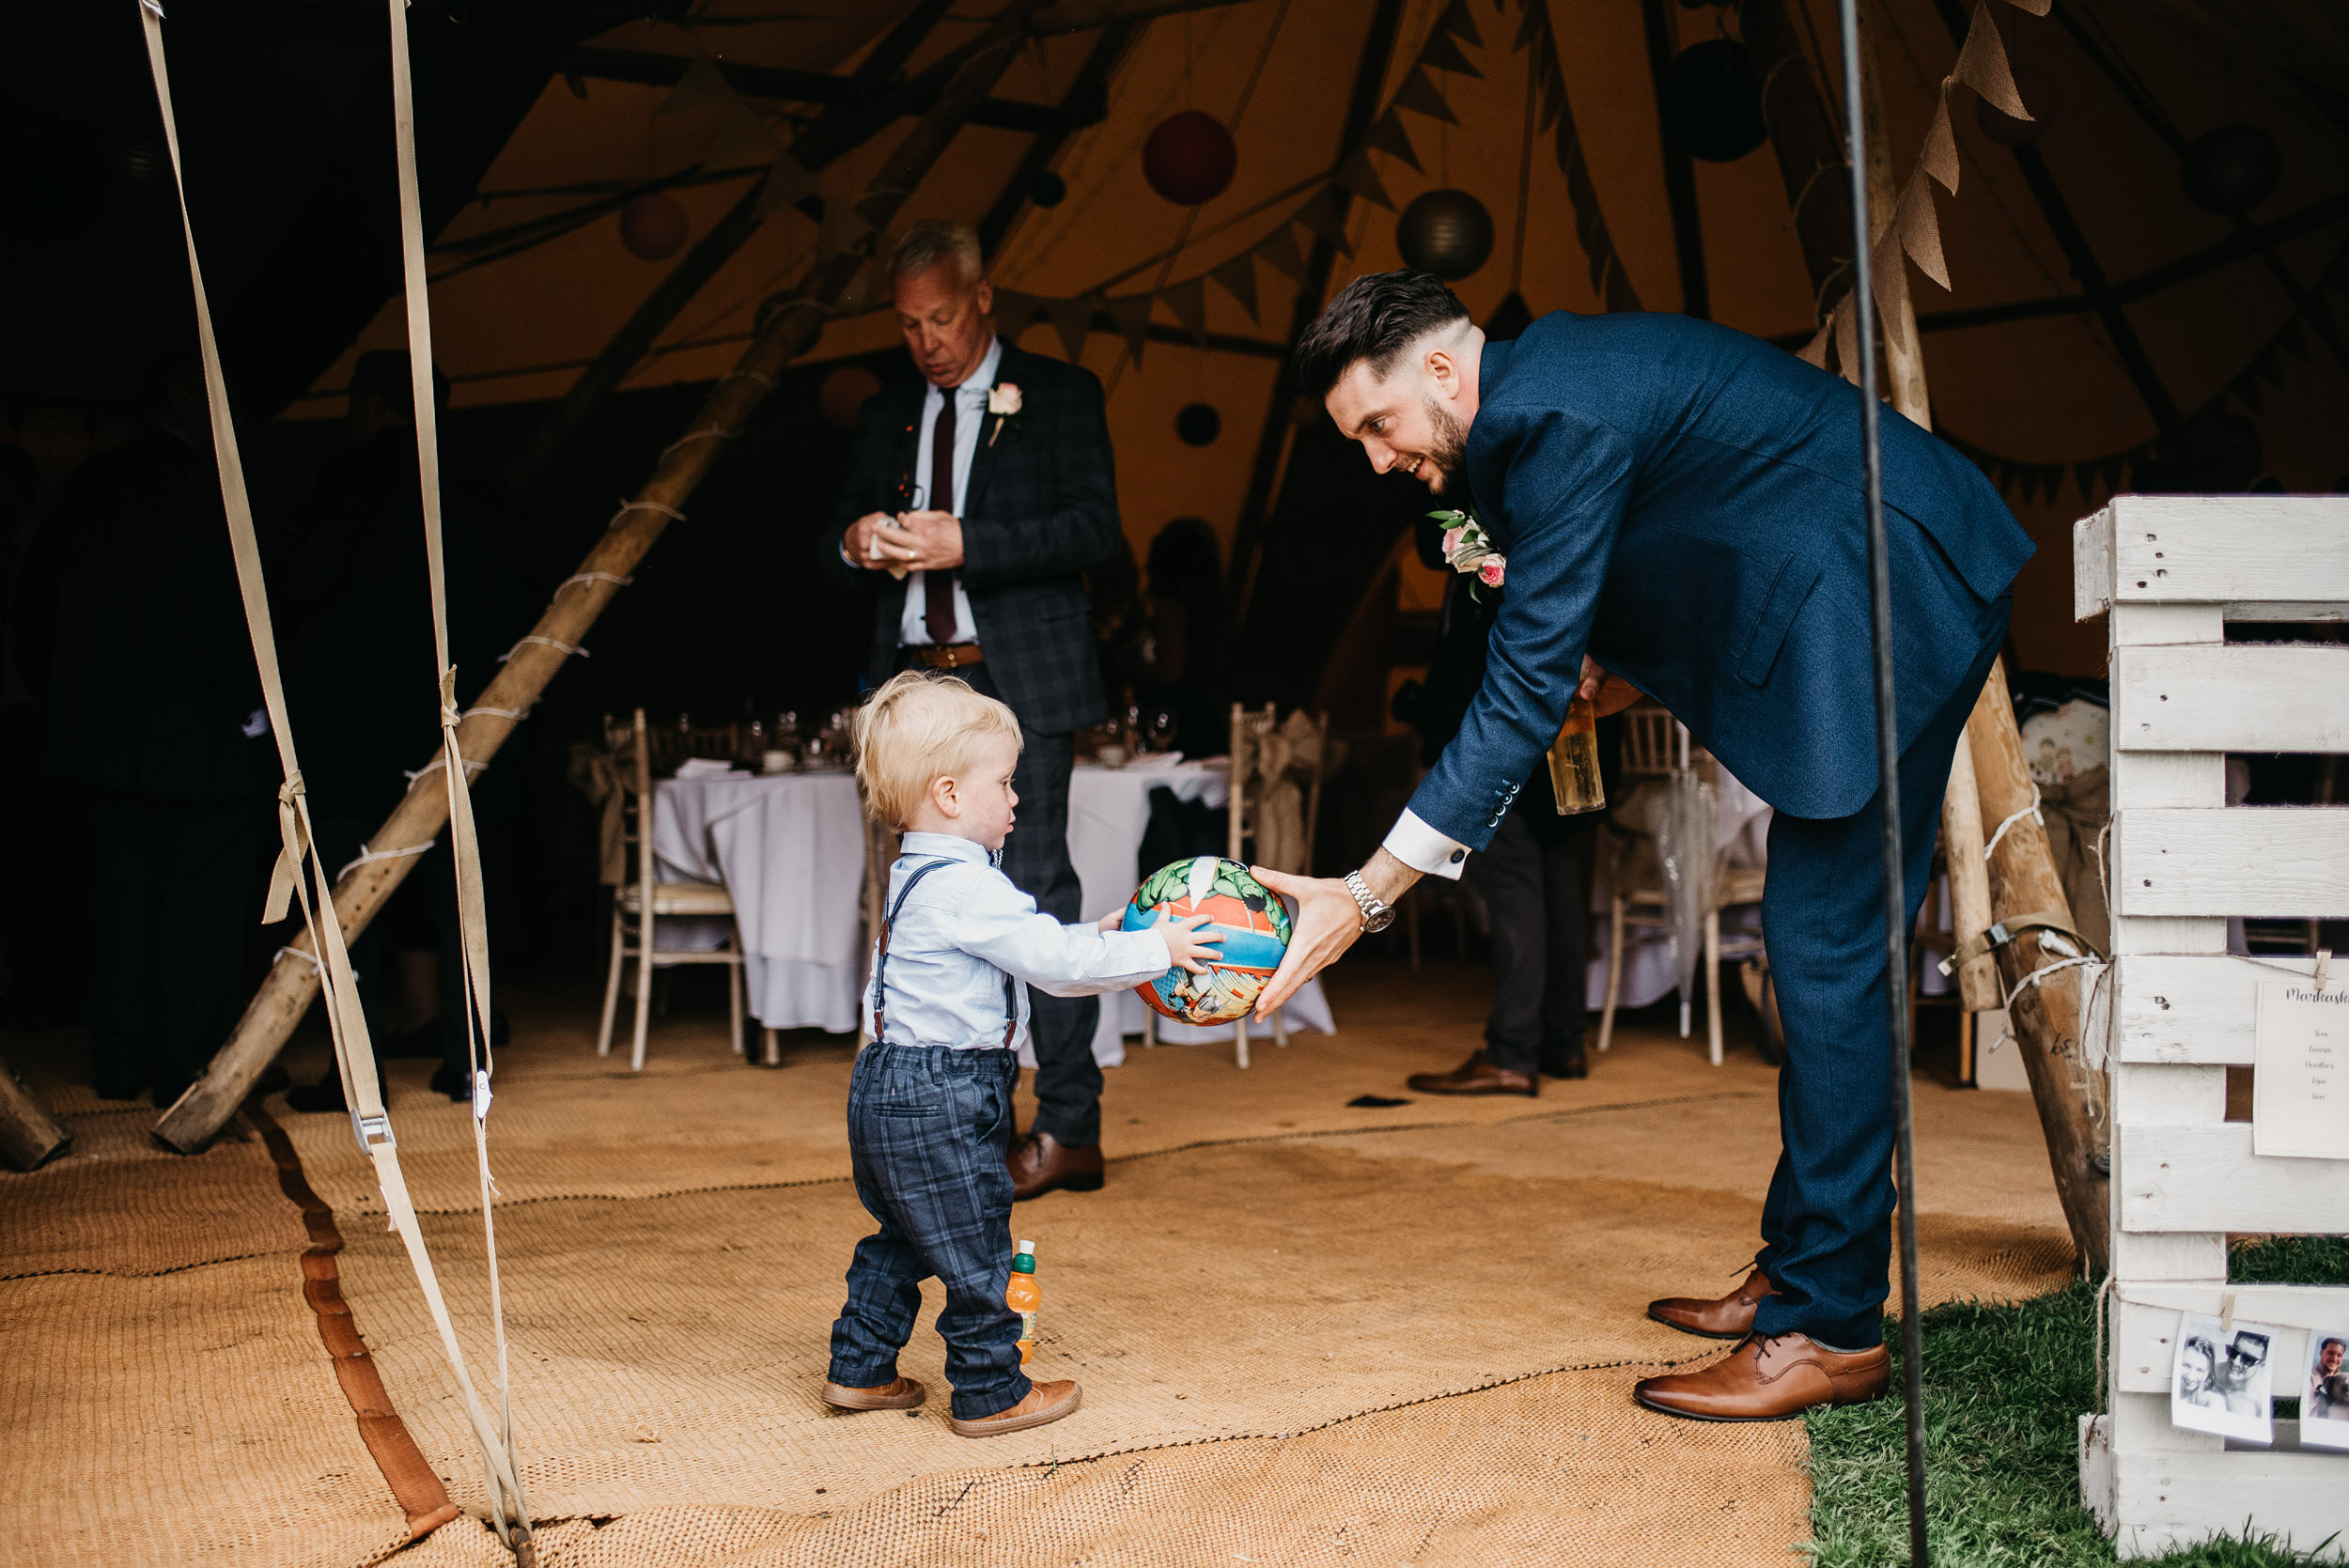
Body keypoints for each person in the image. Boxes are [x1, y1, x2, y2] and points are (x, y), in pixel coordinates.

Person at [1253, 272, 2032, 1422]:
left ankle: (1828, 1325)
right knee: (1819, 940)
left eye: (1378, 426)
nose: (1376, 460)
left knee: (1826, 947)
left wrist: (1363, 897)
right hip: (1868, 576)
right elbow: (1681, 533)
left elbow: (1519, 686)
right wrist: (1603, 682)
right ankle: (1803, 1264)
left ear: (1437, 370)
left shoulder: (1547, 415)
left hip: (1890, 588)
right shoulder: (1539, 401)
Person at [821, 672, 1221, 1436]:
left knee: (902, 1236)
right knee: (977, 1247)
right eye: (1003, 783)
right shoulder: (971, 889)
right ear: (947, 794)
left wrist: (1101, 938)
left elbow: (1041, 947)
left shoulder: (920, 874)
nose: (1014, 799)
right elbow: (1056, 968)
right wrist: (1154, 949)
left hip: (883, 1084)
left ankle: (861, 1369)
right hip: (943, 1094)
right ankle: (989, 1388)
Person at [819, 219, 1123, 1202]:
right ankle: (959, 1125)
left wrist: (968, 544)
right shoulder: (884, 417)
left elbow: (1096, 531)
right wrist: (859, 541)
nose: (926, 342)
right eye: (908, 326)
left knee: (1034, 899)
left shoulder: (1062, 395)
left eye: (941, 318)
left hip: (1015, 681)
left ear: (982, 299)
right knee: (922, 910)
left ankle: (1069, 1127)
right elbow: (833, 536)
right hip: (913, 690)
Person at [20, 351, 276, 1103]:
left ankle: (120, 1060)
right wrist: (251, 715)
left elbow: (33, 610)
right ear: (179, 397)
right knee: (196, 908)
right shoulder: (202, 486)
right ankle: (184, 1060)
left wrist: (64, 705)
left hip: (99, 742)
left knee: (120, 902)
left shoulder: (87, 487)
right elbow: (220, 615)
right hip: (200, 743)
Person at [279, 350, 510, 1112]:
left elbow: (318, 601)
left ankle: (361, 1074)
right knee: (456, 890)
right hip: (454, 720)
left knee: (356, 896)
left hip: (355, 722)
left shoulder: (345, 486)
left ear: (375, 406)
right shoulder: (472, 488)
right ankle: (466, 1058)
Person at [1393, 558, 1597, 1093]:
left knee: (1514, 886)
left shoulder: (1493, 555)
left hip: (1512, 737)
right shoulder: (1561, 542)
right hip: (1573, 731)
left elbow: (1470, 664)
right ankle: (1563, 1041)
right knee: (1557, 877)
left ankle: (1512, 1050)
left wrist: (1433, 728)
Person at [2176, 1336, 2224, 1410]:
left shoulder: (2212, 1402)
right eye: (2186, 1366)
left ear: (2208, 1374)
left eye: (2200, 1370)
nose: (2190, 1377)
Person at [2310, 1335, 2347, 1421]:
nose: (2334, 1359)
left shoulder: (2344, 1380)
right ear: (2321, 1353)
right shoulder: (2310, 1378)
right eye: (2330, 1353)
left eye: (2339, 1355)